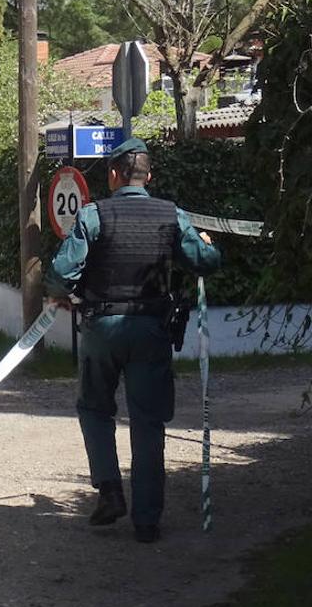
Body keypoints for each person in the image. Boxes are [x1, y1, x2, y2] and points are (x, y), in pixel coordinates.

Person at [45, 138, 222, 544]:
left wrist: (61, 294)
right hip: (151, 330)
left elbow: (60, 272)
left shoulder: (95, 215)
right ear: (149, 176)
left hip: (101, 328)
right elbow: (204, 262)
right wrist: (210, 247)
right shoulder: (170, 216)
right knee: (148, 422)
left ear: (112, 175)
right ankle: (147, 521)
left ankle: (109, 491)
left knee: (94, 409)